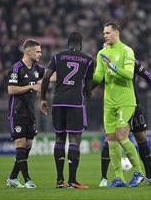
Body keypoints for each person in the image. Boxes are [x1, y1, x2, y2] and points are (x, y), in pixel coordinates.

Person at [99, 58, 151, 187]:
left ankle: (149, 176)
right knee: (110, 138)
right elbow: (98, 79)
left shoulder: (128, 59)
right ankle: (104, 178)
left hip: (132, 104)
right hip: (114, 106)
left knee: (141, 138)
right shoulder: (102, 62)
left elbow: (147, 75)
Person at [93, 22, 144, 188]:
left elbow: (129, 74)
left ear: (117, 32)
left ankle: (138, 172)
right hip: (109, 102)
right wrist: (83, 81)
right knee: (110, 139)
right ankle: (119, 178)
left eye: (108, 32)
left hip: (125, 101)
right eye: (104, 33)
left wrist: (112, 66)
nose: (105, 35)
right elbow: (98, 77)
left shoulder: (126, 51)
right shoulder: (102, 53)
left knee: (122, 136)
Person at [40, 32, 94, 189]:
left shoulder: (58, 57)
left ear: (67, 43)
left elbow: (46, 78)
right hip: (75, 103)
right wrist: (88, 92)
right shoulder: (88, 60)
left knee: (59, 139)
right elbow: (88, 87)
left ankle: (59, 180)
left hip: (58, 102)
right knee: (75, 140)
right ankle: (72, 181)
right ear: (80, 44)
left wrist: (43, 98)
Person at [6, 39, 44, 188]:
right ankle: (28, 180)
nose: (40, 54)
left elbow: (48, 76)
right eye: (38, 51)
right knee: (21, 143)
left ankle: (13, 178)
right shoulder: (16, 68)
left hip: (30, 112)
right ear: (28, 51)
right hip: (17, 111)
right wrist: (31, 86)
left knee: (28, 145)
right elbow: (11, 90)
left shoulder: (37, 69)